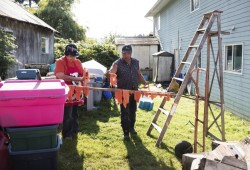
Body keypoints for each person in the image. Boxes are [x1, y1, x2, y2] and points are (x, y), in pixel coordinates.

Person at [108, 45, 148, 140]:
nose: (126, 55)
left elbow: (138, 74)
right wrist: (109, 74)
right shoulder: (117, 63)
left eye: (128, 53)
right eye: (124, 53)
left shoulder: (135, 62)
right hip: (123, 92)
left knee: (132, 111)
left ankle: (131, 128)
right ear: (122, 53)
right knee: (124, 112)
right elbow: (112, 74)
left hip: (134, 90)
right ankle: (126, 132)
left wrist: (144, 82)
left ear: (131, 53)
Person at [54, 44, 86, 140]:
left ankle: (75, 130)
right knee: (68, 113)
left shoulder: (78, 62)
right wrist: (77, 78)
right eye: (71, 56)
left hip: (76, 90)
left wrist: (83, 81)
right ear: (66, 55)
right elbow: (60, 75)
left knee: (75, 112)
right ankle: (67, 134)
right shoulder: (60, 62)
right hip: (65, 91)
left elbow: (82, 74)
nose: (73, 58)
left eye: (75, 56)